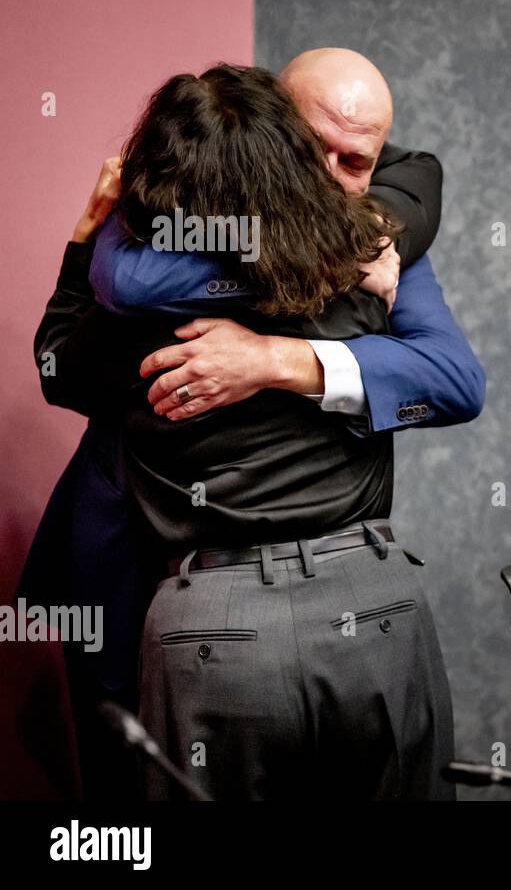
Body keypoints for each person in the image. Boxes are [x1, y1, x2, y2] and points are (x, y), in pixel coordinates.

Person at [27, 62, 482, 799]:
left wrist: (91, 244)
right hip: (331, 606)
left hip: (240, 617)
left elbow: (60, 368)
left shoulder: (144, 300)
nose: (335, 182)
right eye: (315, 152)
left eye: (356, 162)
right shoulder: (373, 262)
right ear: (273, 134)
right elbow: (454, 377)